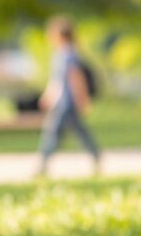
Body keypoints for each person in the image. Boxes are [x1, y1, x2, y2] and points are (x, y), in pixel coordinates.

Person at [34, 16, 102, 177]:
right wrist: (48, 96)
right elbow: (57, 80)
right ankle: (95, 155)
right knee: (78, 131)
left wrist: (82, 100)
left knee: (53, 132)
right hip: (62, 101)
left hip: (68, 102)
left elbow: (76, 80)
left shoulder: (70, 55)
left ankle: (43, 164)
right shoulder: (60, 54)